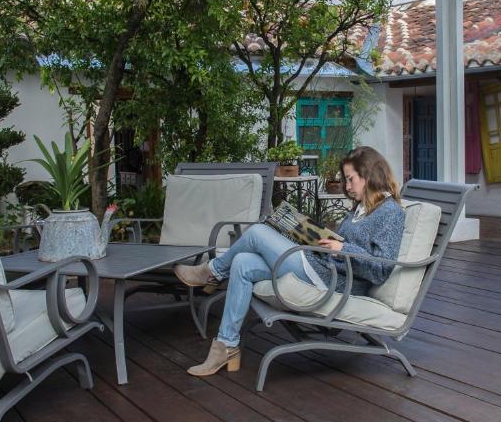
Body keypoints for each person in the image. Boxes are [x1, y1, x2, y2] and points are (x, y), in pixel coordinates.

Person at [173, 146, 406, 377]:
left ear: (368, 175)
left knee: (257, 233)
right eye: (346, 180)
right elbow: (344, 244)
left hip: (334, 281)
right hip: (320, 265)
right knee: (243, 262)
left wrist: (342, 249)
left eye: (350, 179)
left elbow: (382, 269)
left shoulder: (390, 212)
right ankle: (226, 346)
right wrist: (318, 237)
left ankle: (212, 272)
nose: (346, 186)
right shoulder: (360, 208)